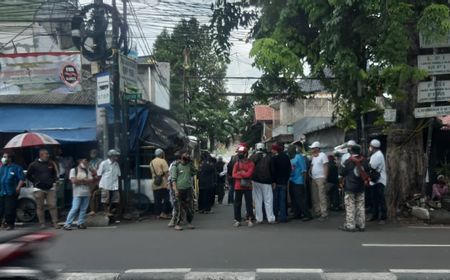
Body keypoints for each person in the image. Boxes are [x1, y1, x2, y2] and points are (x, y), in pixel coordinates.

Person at [340, 145, 370, 232]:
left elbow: (342, 173)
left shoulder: (348, 161)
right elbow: (368, 171)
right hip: (360, 187)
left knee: (350, 206)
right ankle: (361, 225)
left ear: (351, 152)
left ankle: (350, 226)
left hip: (350, 187)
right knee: (360, 206)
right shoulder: (364, 161)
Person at [27, 149, 59, 229]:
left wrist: (53, 181)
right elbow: (28, 175)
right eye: (46, 154)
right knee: (40, 206)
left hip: (50, 188)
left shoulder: (51, 163)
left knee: (53, 205)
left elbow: (54, 173)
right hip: (39, 188)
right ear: (41, 155)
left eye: (48, 154)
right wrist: (35, 182)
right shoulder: (33, 164)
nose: (48, 155)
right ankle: (42, 223)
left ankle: (55, 222)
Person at [63, 158, 95, 230]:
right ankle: (67, 224)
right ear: (79, 162)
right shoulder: (73, 170)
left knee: (83, 209)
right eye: (84, 162)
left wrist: (81, 180)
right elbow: (74, 181)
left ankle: (80, 223)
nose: (85, 163)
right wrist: (84, 180)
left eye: (86, 162)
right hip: (77, 193)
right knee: (75, 208)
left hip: (86, 192)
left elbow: (91, 180)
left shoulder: (87, 171)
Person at [249, 143, 276, 224]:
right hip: (267, 181)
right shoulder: (269, 157)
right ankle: (270, 218)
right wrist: (273, 181)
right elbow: (272, 170)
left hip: (256, 181)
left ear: (256, 148)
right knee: (268, 200)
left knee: (258, 200)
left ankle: (259, 219)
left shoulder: (252, 157)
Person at [171, 152, 196, 231]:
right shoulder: (176, 166)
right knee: (178, 207)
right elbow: (173, 179)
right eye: (186, 159)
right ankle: (177, 224)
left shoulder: (189, 165)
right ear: (181, 158)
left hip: (188, 189)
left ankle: (189, 222)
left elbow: (195, 172)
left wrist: (191, 164)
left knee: (190, 207)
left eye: (188, 159)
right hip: (179, 189)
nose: (187, 160)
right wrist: (175, 190)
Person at [0, 152, 25, 230]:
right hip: (2, 191)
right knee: (1, 209)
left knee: (9, 209)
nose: (3, 158)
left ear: (10, 158)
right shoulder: (2, 168)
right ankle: (2, 223)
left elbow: (22, 178)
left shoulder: (16, 168)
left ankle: (10, 224)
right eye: (3, 157)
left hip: (11, 191)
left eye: (5, 157)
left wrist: (18, 188)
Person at [232, 145, 255, 227]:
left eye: (240, 153)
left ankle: (249, 219)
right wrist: (244, 174)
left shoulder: (251, 163)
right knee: (237, 204)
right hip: (238, 187)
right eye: (238, 153)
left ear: (245, 154)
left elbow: (249, 174)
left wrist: (240, 172)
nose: (239, 154)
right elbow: (233, 175)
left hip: (247, 186)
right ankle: (237, 219)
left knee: (249, 203)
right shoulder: (236, 163)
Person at [288, 145, 312, 221]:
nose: (288, 151)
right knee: (294, 199)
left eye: (290, 149)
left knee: (300, 199)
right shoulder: (290, 158)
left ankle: (307, 215)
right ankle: (297, 214)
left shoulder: (299, 157)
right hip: (292, 180)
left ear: (293, 150)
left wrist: (304, 181)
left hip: (299, 181)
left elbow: (304, 170)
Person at [368, 139, 387, 225]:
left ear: (373, 147)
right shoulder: (374, 154)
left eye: (370, 146)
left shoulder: (378, 155)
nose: (369, 148)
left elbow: (372, 166)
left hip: (380, 180)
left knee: (381, 199)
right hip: (374, 180)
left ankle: (383, 217)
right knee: (374, 199)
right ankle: (374, 215)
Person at [270, 144, 291, 223]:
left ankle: (275, 216)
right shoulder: (286, 157)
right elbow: (289, 169)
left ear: (275, 150)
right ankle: (283, 217)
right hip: (284, 182)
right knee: (283, 200)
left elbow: (273, 171)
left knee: (275, 200)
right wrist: (286, 179)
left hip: (276, 182)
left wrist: (273, 181)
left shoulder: (274, 158)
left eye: (272, 149)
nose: (272, 151)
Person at [97, 149, 121, 217]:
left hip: (114, 185)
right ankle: (106, 211)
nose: (117, 157)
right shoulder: (104, 163)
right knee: (105, 199)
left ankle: (110, 210)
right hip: (105, 184)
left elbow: (119, 174)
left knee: (116, 199)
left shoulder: (116, 164)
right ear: (111, 156)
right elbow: (99, 174)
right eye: (115, 156)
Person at [309, 141, 329, 221]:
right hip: (314, 178)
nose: (312, 149)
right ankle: (318, 211)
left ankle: (324, 213)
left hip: (320, 178)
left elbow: (326, 166)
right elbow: (312, 165)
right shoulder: (313, 156)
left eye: (313, 148)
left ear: (317, 148)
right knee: (315, 196)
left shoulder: (323, 155)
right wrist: (310, 171)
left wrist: (325, 177)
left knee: (322, 196)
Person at [150, 149, 171, 219]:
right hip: (163, 183)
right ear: (161, 154)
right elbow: (166, 173)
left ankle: (157, 214)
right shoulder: (163, 161)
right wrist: (169, 181)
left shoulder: (151, 162)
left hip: (155, 183)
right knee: (166, 198)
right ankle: (163, 213)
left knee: (157, 200)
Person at [167, 152, 181, 227]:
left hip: (176, 186)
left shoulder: (172, 165)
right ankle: (174, 219)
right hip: (175, 186)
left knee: (176, 203)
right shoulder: (174, 165)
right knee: (175, 204)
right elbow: (170, 176)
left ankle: (176, 219)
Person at [88, 149, 102, 215]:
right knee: (91, 195)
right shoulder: (90, 162)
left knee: (99, 195)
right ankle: (92, 210)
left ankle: (98, 209)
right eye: (91, 153)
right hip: (93, 180)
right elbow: (89, 170)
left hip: (99, 180)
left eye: (94, 153)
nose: (92, 154)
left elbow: (100, 170)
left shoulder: (100, 161)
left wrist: (96, 173)